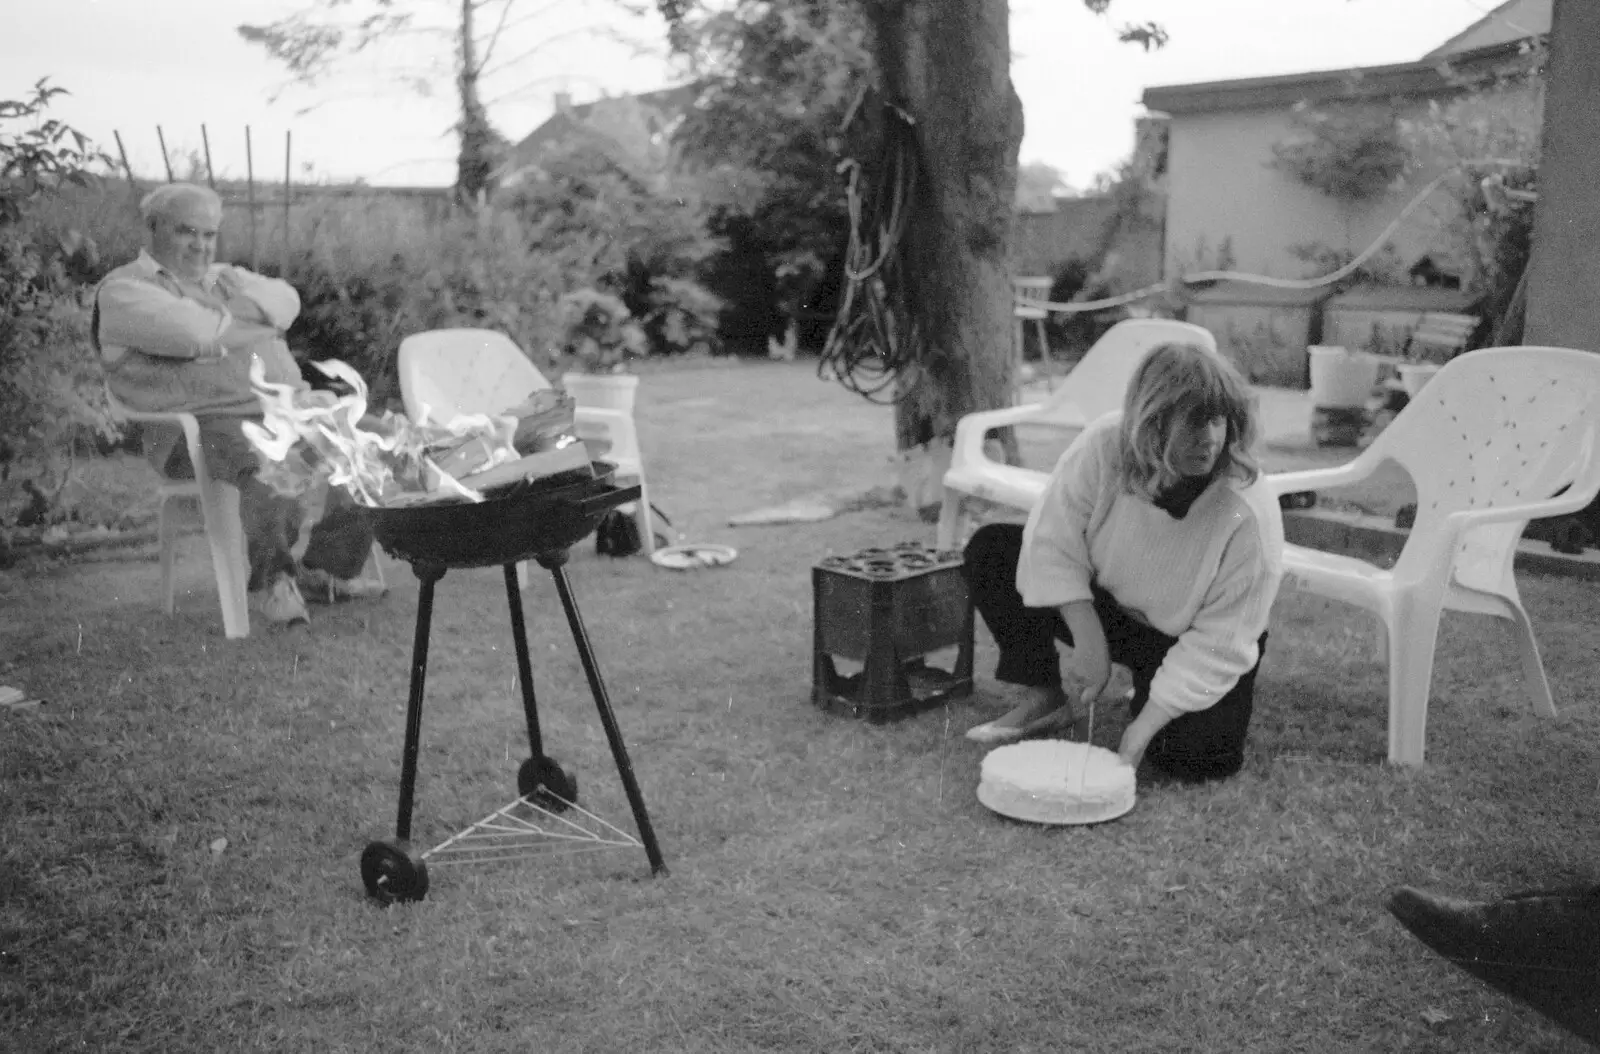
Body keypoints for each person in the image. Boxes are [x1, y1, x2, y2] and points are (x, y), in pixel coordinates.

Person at [961, 341, 1284, 781]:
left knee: (1197, 760)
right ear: (1151, 421)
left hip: (1186, 636)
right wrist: (1088, 638)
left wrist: (1145, 724)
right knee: (994, 550)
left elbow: (1224, 638)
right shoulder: (1103, 446)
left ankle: (1151, 690)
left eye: (1217, 418)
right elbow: (1052, 539)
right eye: (1192, 421)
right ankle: (1045, 696)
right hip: (1110, 607)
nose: (1209, 437)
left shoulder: (1248, 508)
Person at [95, 183, 383, 627]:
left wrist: (233, 320)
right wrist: (253, 320)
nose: (201, 244)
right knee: (269, 456)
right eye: (187, 231)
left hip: (277, 410)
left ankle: (327, 569)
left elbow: (287, 303)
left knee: (370, 438)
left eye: (209, 234)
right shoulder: (124, 289)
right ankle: (273, 583)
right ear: (153, 229)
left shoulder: (222, 275)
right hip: (197, 427)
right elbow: (196, 335)